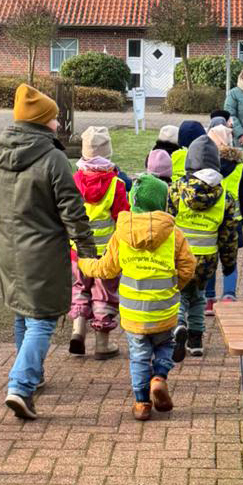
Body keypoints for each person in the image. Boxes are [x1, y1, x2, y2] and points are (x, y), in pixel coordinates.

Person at [0, 83, 97, 420]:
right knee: (41, 321)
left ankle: (34, 375)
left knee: (22, 314)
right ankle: (21, 385)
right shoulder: (53, 158)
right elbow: (72, 210)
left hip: (10, 253)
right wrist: (88, 252)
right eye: (54, 119)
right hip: (43, 254)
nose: (58, 125)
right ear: (43, 122)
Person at [79, 174, 196, 421]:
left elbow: (106, 269)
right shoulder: (174, 234)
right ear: (163, 202)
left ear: (134, 202)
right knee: (166, 345)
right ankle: (160, 376)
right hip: (164, 307)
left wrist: (84, 263)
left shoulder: (121, 235)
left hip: (133, 312)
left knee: (139, 356)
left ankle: (142, 403)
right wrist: (175, 285)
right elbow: (188, 266)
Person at [167, 136, 238, 358]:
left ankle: (178, 324)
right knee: (197, 297)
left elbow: (167, 224)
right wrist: (229, 265)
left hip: (178, 257)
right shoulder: (225, 197)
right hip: (206, 261)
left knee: (177, 294)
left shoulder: (176, 190)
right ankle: (196, 340)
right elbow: (228, 236)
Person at [68, 126, 129, 359]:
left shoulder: (74, 181)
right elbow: (122, 218)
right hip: (106, 254)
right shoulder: (117, 184)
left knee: (80, 287)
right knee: (104, 294)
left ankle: (78, 331)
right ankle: (102, 344)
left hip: (78, 251)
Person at [204, 120, 243, 312]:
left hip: (210, 221)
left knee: (210, 259)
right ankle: (229, 295)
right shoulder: (240, 169)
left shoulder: (205, 167)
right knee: (230, 259)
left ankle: (208, 299)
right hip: (233, 221)